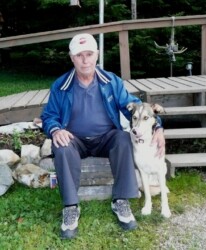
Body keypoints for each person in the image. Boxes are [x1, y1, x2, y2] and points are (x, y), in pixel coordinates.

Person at [41, 33, 166, 240]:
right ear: (72, 58)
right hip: (74, 139)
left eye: (89, 54)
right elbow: (49, 116)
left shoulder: (111, 81)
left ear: (97, 55)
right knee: (60, 146)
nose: (85, 60)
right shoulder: (61, 85)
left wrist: (158, 127)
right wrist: (56, 129)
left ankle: (121, 201)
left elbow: (134, 106)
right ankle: (71, 207)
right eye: (79, 55)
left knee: (123, 138)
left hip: (105, 137)